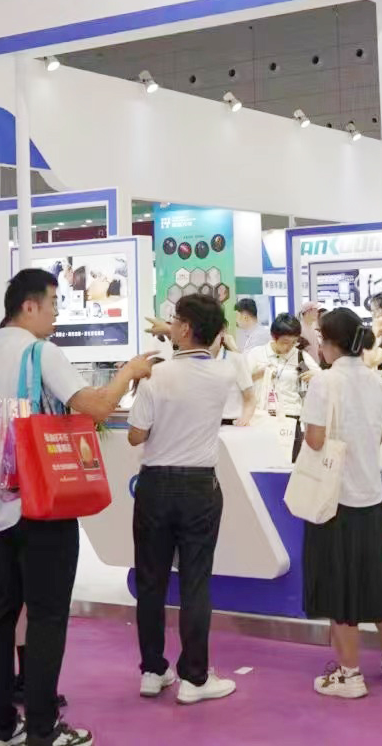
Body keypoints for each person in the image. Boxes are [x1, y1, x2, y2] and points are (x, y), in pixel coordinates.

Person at [0, 268, 156, 746]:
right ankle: (43, 730)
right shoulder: (41, 352)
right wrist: (129, 373)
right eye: (52, 303)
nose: (56, 313)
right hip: (41, 508)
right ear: (29, 305)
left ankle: (0, 727)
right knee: (47, 618)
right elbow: (96, 406)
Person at [127, 293, 240, 705]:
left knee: (150, 581)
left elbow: (135, 436)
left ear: (186, 328)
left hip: (155, 485)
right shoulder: (224, 373)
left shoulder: (156, 375)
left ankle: (152, 670)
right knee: (195, 581)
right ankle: (194, 677)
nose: (169, 325)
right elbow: (228, 356)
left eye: (175, 320)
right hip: (199, 487)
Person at [302, 308, 382, 699]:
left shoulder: (324, 381)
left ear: (329, 342)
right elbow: (377, 434)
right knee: (379, 583)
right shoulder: (376, 381)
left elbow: (315, 440)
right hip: (370, 494)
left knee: (340, 588)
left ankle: (349, 674)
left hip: (335, 499)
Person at [250, 313, 321, 459]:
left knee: (289, 464)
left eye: (294, 342)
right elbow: (241, 383)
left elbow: (322, 379)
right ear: (273, 337)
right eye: (285, 342)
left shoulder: (300, 357)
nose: (289, 347)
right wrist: (258, 374)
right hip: (262, 417)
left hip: (291, 419)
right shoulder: (257, 354)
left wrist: (315, 376)